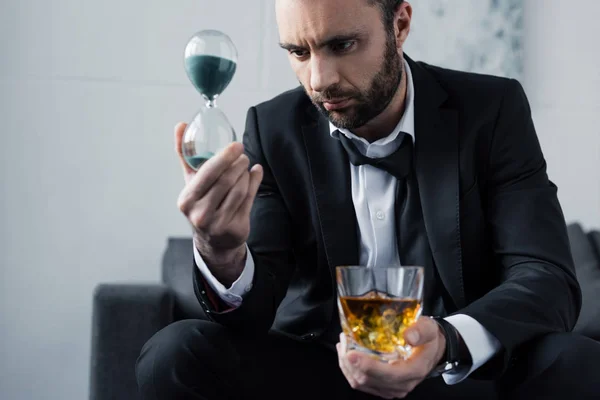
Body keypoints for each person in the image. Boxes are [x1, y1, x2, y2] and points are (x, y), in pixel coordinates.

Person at [135, 0, 600, 398]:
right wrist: (222, 250)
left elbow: (546, 277)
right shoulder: (271, 128)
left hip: (454, 374)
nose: (318, 80)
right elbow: (254, 314)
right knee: (173, 353)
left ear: (399, 24)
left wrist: (444, 340)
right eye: (299, 52)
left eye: (342, 45)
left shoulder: (492, 110)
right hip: (322, 372)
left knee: (578, 362)